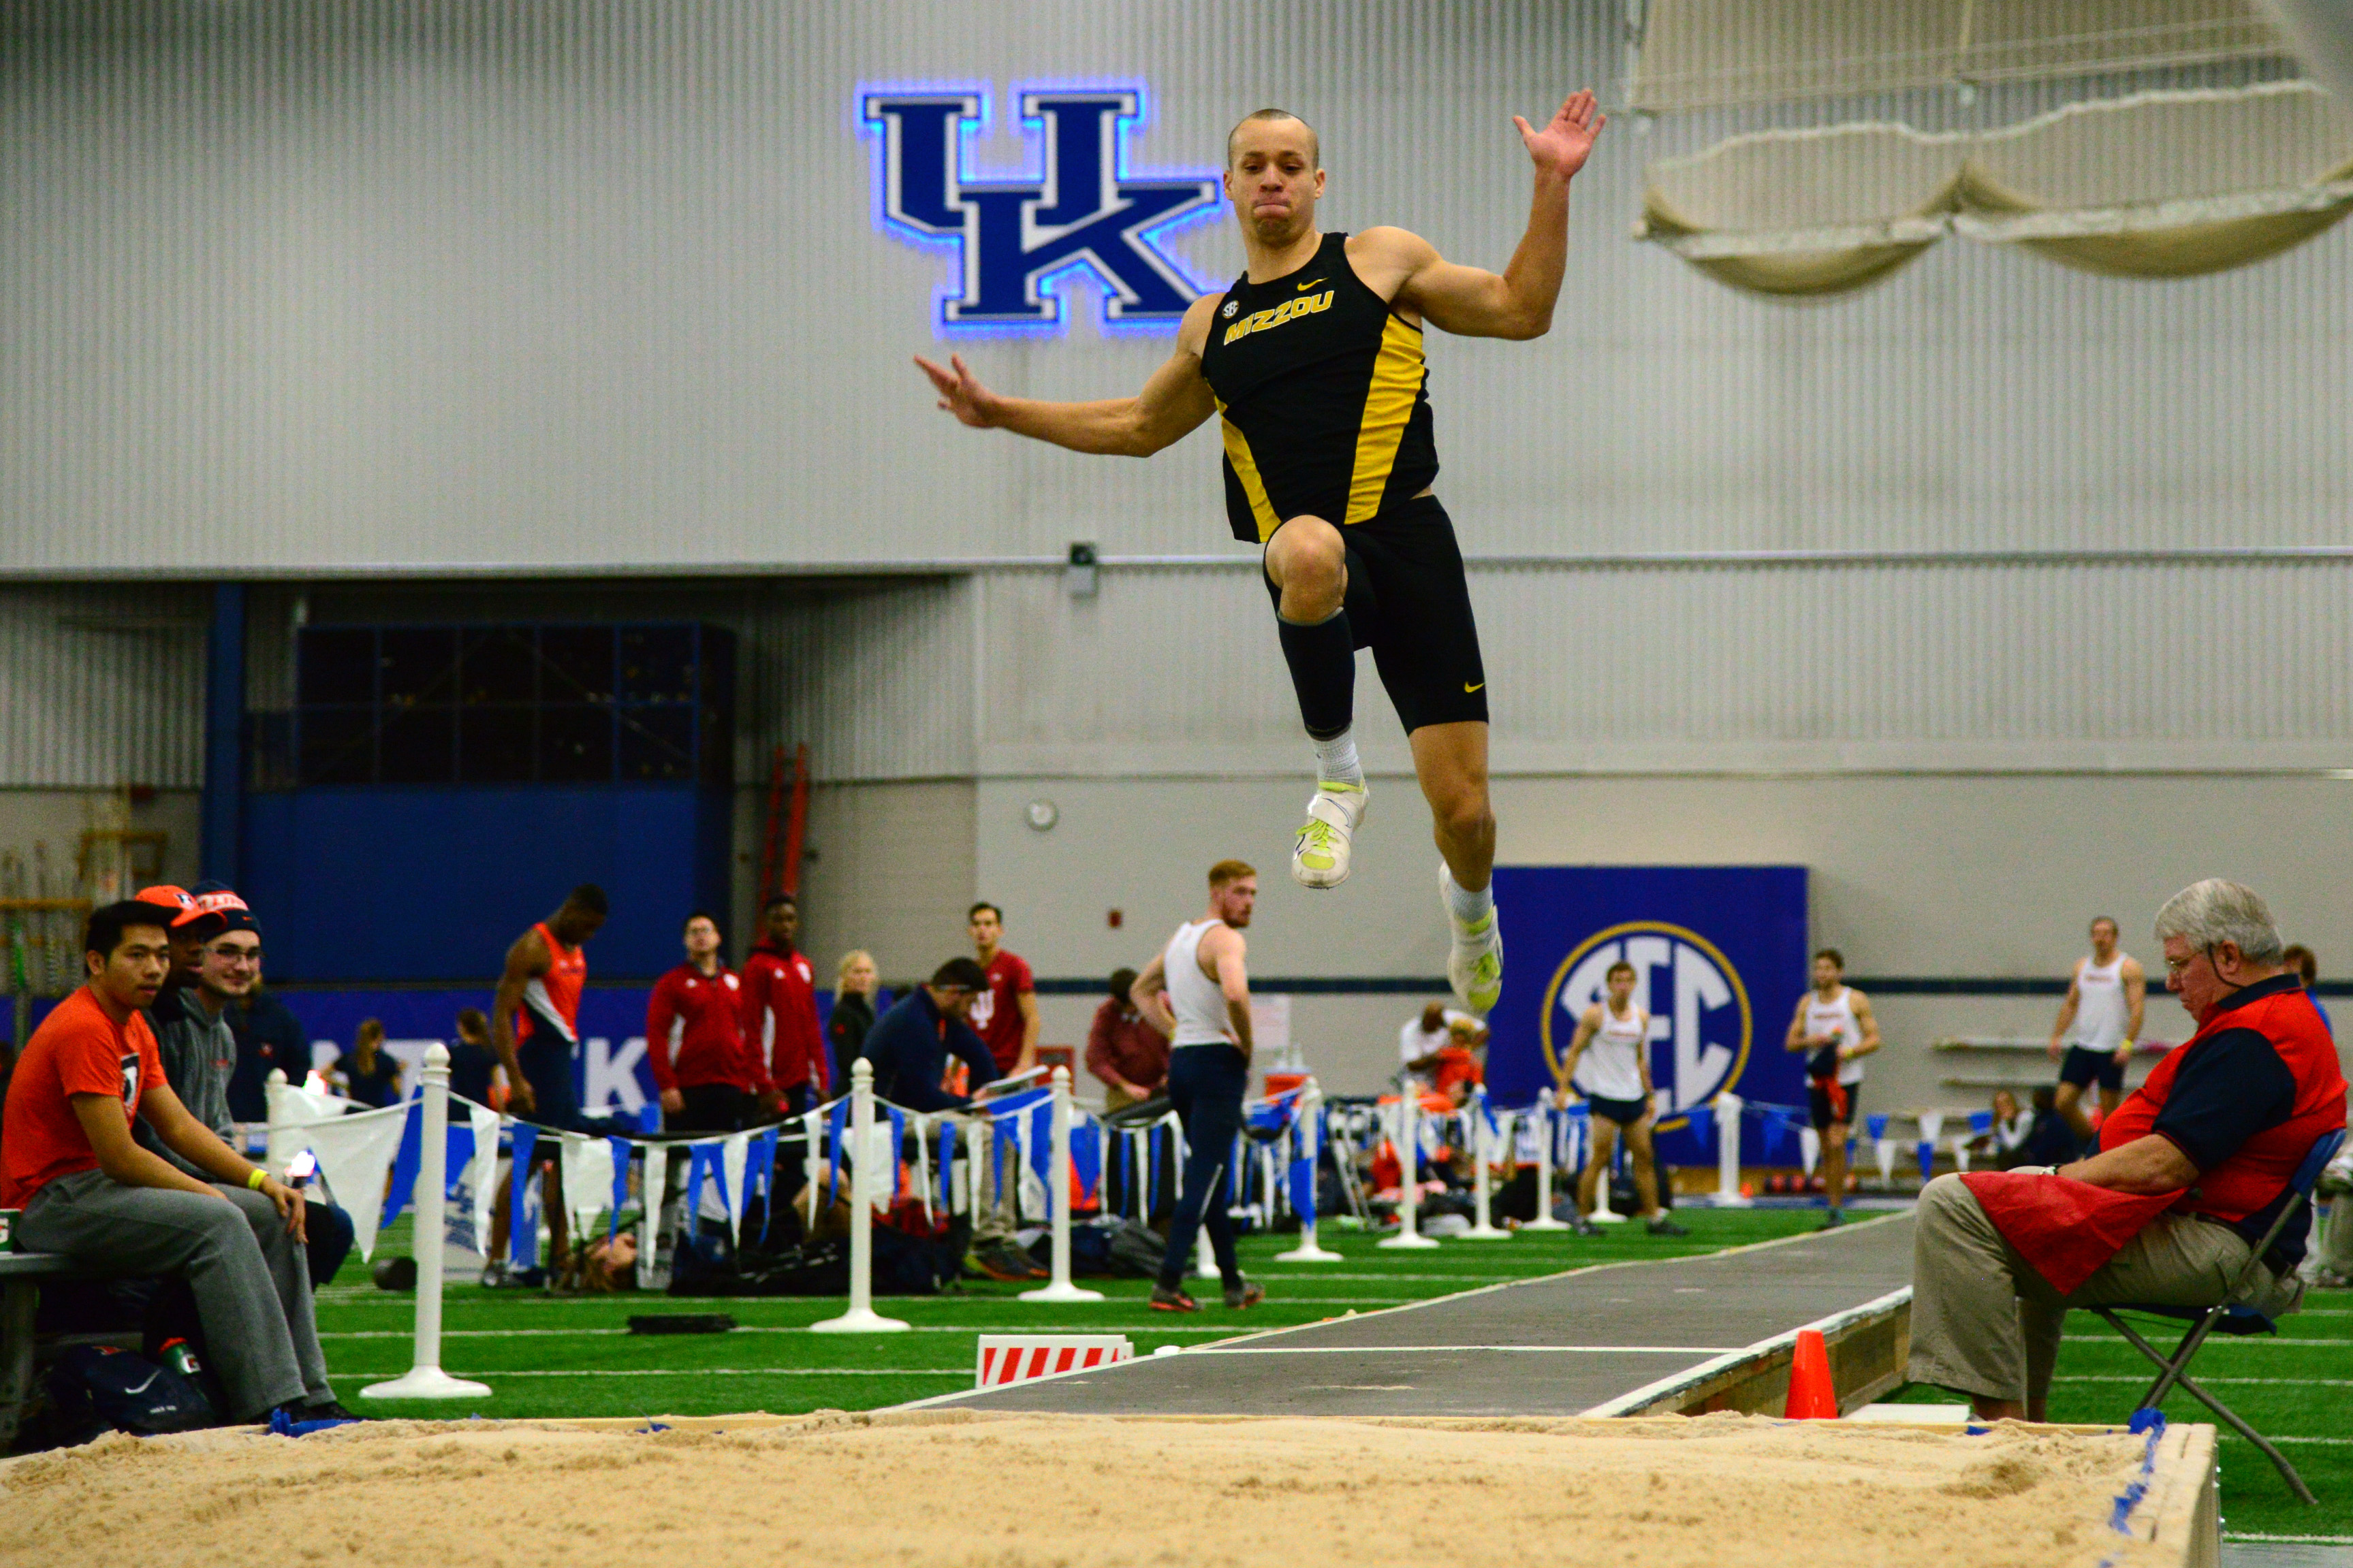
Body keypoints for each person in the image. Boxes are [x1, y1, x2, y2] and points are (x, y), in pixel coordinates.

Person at [917, 95, 1608, 1015]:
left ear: (1317, 182)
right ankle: (1336, 783)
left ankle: (1472, 915)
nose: (1272, 178)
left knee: (1465, 813)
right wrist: (1002, 412)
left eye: (1289, 164)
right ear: (1229, 186)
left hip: (1409, 543)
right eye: (1254, 165)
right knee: (1309, 547)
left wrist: (1550, 182)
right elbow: (1135, 424)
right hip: (1307, 557)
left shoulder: (1379, 260)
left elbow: (1521, 311)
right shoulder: (1212, 323)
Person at [1908, 879, 2346, 1421]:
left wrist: (2059, 1178)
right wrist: (2047, 1180)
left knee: (1950, 1202)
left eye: (2179, 963)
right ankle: (2026, 1422)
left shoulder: (2254, 1035)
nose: (2171, 981)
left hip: (2222, 1248)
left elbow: (2164, 1164)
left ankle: (2004, 1431)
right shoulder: (2274, 1017)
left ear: (2228, 956)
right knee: (2017, 1199)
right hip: (2225, 1235)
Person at [3, 901, 349, 1424]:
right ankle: (273, 1402)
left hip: (94, 1190)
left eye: (162, 955)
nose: (154, 968)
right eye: (137, 955)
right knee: (220, 1220)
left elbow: (180, 1127)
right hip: (51, 1201)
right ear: (96, 962)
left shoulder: (132, 1025)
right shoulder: (84, 1027)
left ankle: (313, 1393)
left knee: (273, 1214)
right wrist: (212, 1195)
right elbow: (119, 1157)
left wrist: (260, 1181)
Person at [138, 885, 358, 1290]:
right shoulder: (159, 1022)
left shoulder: (222, 1033)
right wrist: (244, 1182)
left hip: (196, 1180)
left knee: (323, 1223)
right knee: (304, 1222)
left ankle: (251, 1326)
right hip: (161, 1185)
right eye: (227, 952)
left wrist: (249, 1179)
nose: (242, 966)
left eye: (252, 955)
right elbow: (160, 1135)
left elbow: (215, 1130)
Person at [1130, 859, 1269, 1313]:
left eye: (1253, 893)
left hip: (1184, 1061)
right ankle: (1168, 1282)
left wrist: (1175, 1031)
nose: (1249, 902)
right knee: (1204, 1174)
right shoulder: (1225, 938)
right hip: (1215, 1063)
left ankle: (1233, 1282)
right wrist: (1246, 1044)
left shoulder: (1182, 937)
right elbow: (1235, 993)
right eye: (1241, 892)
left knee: (1211, 1176)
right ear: (1217, 892)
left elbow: (1140, 991)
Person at [484, 884, 608, 1283]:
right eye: (587, 926)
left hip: (560, 1057)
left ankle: (556, 1259)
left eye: (595, 930)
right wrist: (516, 1079)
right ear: (570, 910)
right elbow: (502, 1015)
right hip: (538, 1059)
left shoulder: (575, 946)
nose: (589, 936)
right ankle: (502, 1261)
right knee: (532, 1159)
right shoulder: (532, 949)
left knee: (550, 1158)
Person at [1555, 960, 1687, 1238]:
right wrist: (1563, 1089)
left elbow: (1640, 1059)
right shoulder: (1595, 1015)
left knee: (1644, 1157)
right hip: (1605, 1096)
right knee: (1600, 1158)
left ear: (1634, 984)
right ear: (1609, 984)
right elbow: (1575, 1051)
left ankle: (1654, 1219)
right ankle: (1583, 1218)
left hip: (1633, 1096)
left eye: (1628, 980)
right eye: (1618, 980)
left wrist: (1649, 1094)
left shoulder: (1641, 1017)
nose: (1623, 986)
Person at [1785, 948, 1880, 1229]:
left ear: (1839, 972)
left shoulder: (1854, 1000)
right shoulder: (1808, 1003)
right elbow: (1791, 1043)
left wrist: (1848, 1052)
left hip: (1845, 1080)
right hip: (1818, 1080)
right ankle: (1833, 1205)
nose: (1822, 974)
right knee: (1826, 1145)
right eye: (1818, 968)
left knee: (1838, 1141)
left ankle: (1838, 1206)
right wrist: (1810, 1041)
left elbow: (1874, 1039)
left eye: (1828, 968)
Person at [647, 911, 763, 1134]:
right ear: (685, 940)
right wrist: (667, 1086)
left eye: (706, 930)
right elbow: (657, 1036)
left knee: (728, 1151)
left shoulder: (735, 982)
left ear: (718, 937)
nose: (700, 936)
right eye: (694, 932)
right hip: (687, 1088)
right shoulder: (671, 984)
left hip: (730, 1086)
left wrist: (748, 1082)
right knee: (682, 1151)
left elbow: (748, 1035)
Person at [2047, 916, 2147, 1144]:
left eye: (2106, 934)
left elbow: (2137, 1009)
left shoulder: (2128, 968)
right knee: (2063, 1102)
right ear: (2092, 937)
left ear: (2115, 937)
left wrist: (2128, 1044)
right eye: (2097, 934)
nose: (2101, 939)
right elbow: (2071, 1003)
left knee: (2109, 1113)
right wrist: (2057, 1036)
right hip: (2084, 1045)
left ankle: (2107, 1148)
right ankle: (2092, 1142)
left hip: (2111, 1048)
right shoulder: (2082, 967)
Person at [861, 958, 1000, 1115]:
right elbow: (923, 1099)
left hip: (904, 1113)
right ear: (953, 993)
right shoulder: (915, 1021)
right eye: (970, 1002)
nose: (969, 1012)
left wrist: (986, 1097)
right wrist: (971, 1104)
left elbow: (978, 1053)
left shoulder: (937, 1016)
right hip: (886, 1120)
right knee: (977, 1130)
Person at [740, 895, 829, 1113]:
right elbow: (751, 1028)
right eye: (778, 919)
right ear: (766, 923)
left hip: (798, 1080)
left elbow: (811, 1027)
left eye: (790, 919)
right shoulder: (757, 967)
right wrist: (764, 1084)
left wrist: (821, 1082)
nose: (786, 925)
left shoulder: (804, 966)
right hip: (769, 1086)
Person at [225, 969, 308, 1125]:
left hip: (267, 1120)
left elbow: (299, 1065)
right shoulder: (220, 1015)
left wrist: (283, 1104)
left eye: (253, 972)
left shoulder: (281, 1019)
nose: (245, 975)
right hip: (221, 1116)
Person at [966, 903, 1038, 1080]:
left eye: (988, 924)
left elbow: (1032, 1018)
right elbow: (964, 1025)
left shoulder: (1015, 966)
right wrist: (953, 1072)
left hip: (1008, 1067)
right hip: (977, 1066)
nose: (982, 929)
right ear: (970, 931)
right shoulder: (968, 972)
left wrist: (1024, 1064)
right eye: (976, 924)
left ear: (1000, 930)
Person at [1085, 967, 1170, 1113]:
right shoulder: (1106, 1014)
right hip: (1124, 1093)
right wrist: (1125, 1086)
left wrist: (1172, 1073)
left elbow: (1183, 1042)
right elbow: (1096, 1059)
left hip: (1166, 1089)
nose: (1134, 1009)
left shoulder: (1166, 1005)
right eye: (1129, 1005)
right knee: (1118, 1121)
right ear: (1117, 1001)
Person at [1400, 1002, 1486, 1087]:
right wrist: (1438, 1057)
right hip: (1419, 1078)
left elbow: (1484, 1031)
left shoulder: (1452, 1018)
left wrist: (1467, 1050)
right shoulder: (1410, 1030)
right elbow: (1412, 1065)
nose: (1458, 1039)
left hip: (1452, 1085)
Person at [827, 949, 881, 1083]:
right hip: (854, 1086)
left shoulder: (867, 1012)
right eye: (857, 972)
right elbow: (847, 1060)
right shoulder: (843, 1014)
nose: (863, 977)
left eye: (867, 972)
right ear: (845, 976)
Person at [332, 1019, 404, 1109]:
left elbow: (323, 1073)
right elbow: (398, 1090)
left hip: (354, 1112)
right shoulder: (386, 1061)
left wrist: (344, 1086)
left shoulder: (350, 1058)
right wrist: (399, 1071)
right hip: (376, 1112)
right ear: (380, 1036)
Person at [446, 1007, 501, 1108]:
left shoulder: (454, 1051)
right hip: (481, 1108)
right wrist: (502, 1111)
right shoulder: (489, 1051)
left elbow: (445, 1083)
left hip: (458, 1108)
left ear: (463, 1027)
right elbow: (498, 1085)